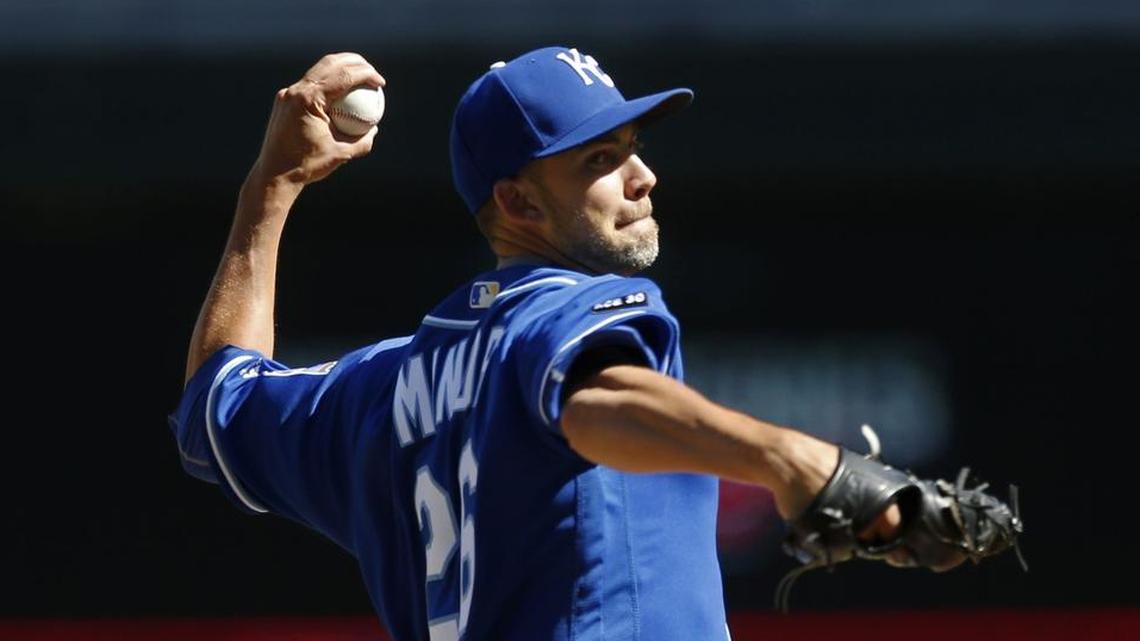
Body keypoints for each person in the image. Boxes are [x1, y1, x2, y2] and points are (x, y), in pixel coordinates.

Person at [170, 47, 912, 641]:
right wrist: (794, 460)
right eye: (600, 160)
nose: (642, 176)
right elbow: (593, 403)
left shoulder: (378, 387)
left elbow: (216, 403)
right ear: (518, 202)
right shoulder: (565, 309)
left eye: (633, 146)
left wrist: (270, 187)